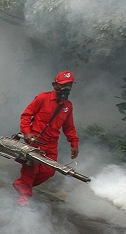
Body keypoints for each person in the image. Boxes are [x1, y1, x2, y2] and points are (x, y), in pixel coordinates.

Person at [12, 70, 79, 206]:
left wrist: (74, 142)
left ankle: (22, 185)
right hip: (34, 142)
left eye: (69, 85)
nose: (66, 89)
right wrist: (27, 133)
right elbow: (26, 116)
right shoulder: (43, 98)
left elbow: (69, 127)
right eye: (64, 85)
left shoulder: (68, 107)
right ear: (55, 85)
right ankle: (24, 199)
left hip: (51, 145)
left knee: (48, 172)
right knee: (31, 169)